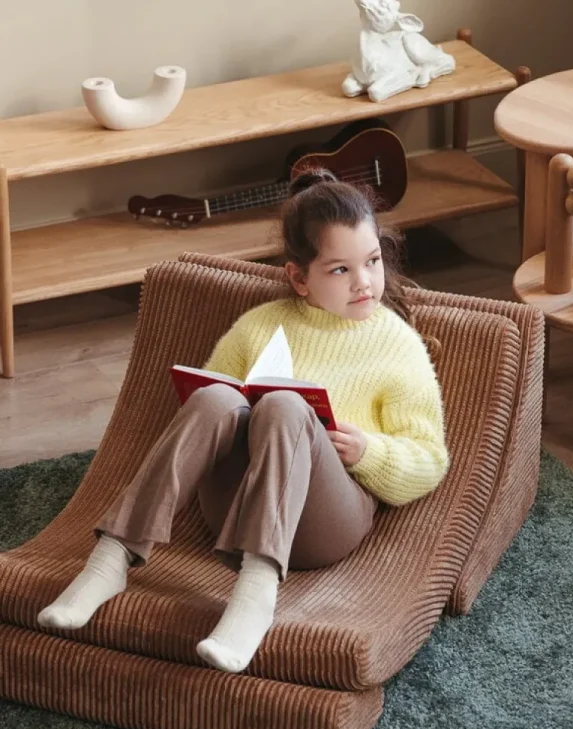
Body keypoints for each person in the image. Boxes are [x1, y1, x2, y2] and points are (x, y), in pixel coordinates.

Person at [37, 169, 450, 674]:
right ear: (299, 278)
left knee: (285, 406)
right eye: (340, 270)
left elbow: (430, 460)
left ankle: (255, 595)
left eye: (371, 261)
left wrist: (369, 451)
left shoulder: (396, 345)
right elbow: (207, 407)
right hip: (233, 506)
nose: (364, 281)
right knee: (215, 396)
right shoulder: (260, 326)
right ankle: (111, 560)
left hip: (325, 520)